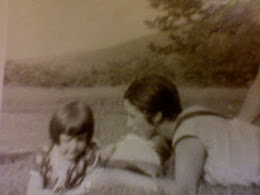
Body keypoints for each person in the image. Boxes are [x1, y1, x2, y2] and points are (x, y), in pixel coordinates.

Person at [123, 75, 260, 194]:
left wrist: (117, 178)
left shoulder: (188, 136)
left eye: (133, 116)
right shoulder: (195, 114)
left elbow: (184, 190)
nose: (128, 124)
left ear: (157, 116)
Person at [26, 101, 100, 194]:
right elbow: (32, 191)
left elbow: (90, 186)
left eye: (80, 140)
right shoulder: (44, 157)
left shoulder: (88, 155)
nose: (73, 147)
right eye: (67, 140)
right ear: (56, 137)